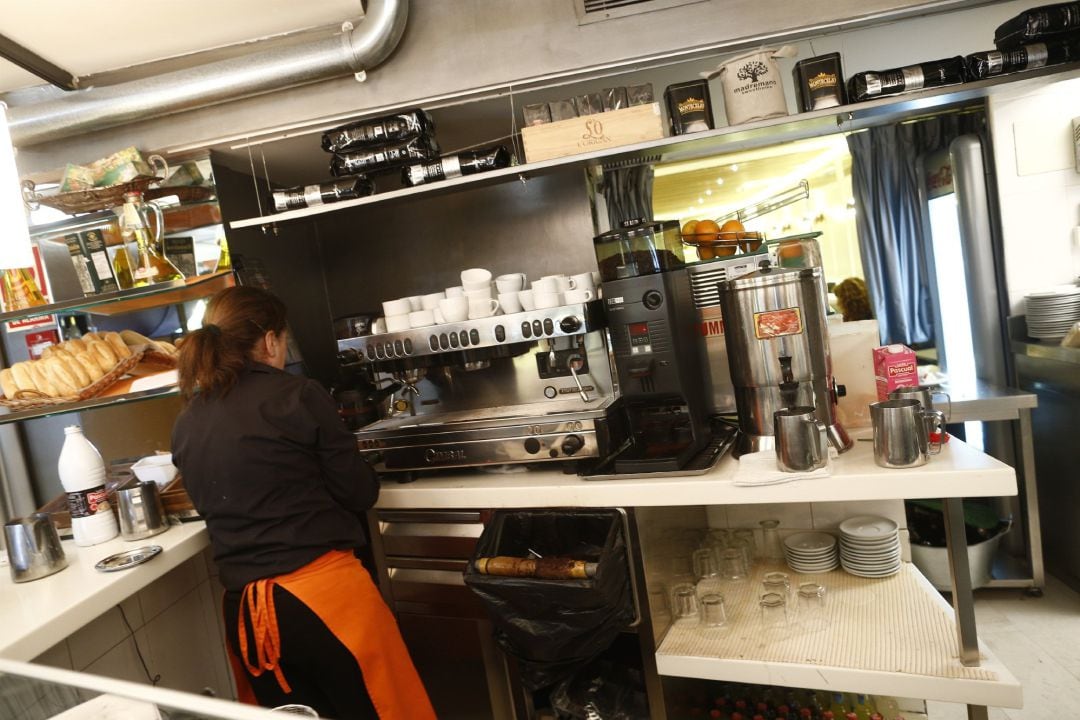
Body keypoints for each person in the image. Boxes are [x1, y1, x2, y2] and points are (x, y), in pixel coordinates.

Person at [171, 286, 434, 720]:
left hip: (248, 619)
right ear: (270, 340)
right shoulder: (296, 395)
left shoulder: (186, 420)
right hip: (324, 603)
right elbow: (359, 493)